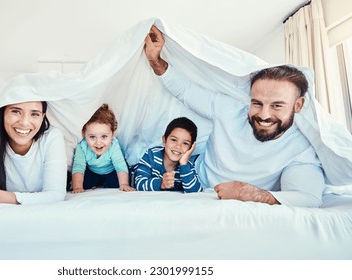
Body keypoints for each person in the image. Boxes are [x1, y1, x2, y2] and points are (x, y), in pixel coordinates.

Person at [143, 26, 325, 207]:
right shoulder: (229, 108)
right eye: (257, 103)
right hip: (193, 182)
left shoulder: (301, 147)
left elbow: (307, 198)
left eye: (277, 106)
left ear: (298, 105)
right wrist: (155, 59)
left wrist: (249, 193)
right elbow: (186, 90)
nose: (264, 115)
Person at [71, 103, 135, 193]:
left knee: (120, 182)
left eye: (104, 136)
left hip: (112, 171)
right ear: (84, 134)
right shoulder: (82, 147)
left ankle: (117, 183)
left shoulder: (113, 145)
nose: (98, 143)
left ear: (112, 134)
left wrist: (124, 184)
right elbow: (78, 167)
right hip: (92, 172)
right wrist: (77, 187)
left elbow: (120, 165)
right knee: (83, 183)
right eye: (92, 137)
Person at [134, 117, 202, 193]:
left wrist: (183, 164)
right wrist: (161, 183)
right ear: (164, 140)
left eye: (185, 143)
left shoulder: (187, 165)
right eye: (173, 140)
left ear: (191, 148)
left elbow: (195, 192)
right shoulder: (152, 155)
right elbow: (139, 184)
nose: (178, 146)